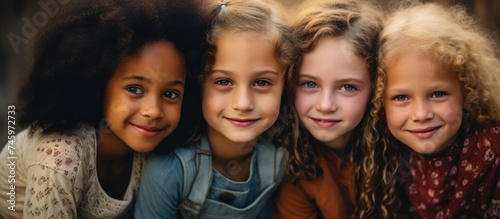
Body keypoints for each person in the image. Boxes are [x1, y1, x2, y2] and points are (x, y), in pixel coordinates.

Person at [0, 0, 208, 218]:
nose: (154, 111)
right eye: (135, 89)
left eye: (170, 94)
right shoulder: (60, 157)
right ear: (99, 84)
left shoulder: (158, 150)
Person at [134, 0, 296, 218]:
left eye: (262, 83)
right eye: (223, 81)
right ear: (199, 83)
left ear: (284, 85)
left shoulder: (279, 158)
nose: (243, 103)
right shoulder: (170, 170)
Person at [369, 2, 500, 218]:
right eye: (401, 97)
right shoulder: (387, 152)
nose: (421, 115)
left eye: (438, 94)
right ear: (379, 102)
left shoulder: (493, 153)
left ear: (468, 91)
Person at [272, 0, 390, 218]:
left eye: (347, 87)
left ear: (376, 89)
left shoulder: (399, 152)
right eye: (310, 84)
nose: (325, 105)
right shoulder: (291, 169)